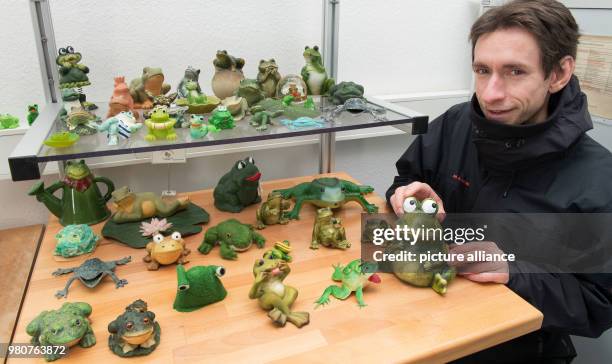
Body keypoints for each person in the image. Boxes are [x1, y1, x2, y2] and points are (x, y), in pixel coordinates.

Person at [386, 0, 612, 362]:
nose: (490, 93)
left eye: (515, 72)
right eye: (481, 70)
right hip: (429, 327)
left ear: (558, 73)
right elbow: (406, 179)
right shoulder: (456, 123)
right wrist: (411, 199)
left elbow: (598, 303)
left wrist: (513, 270)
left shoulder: (599, 178)